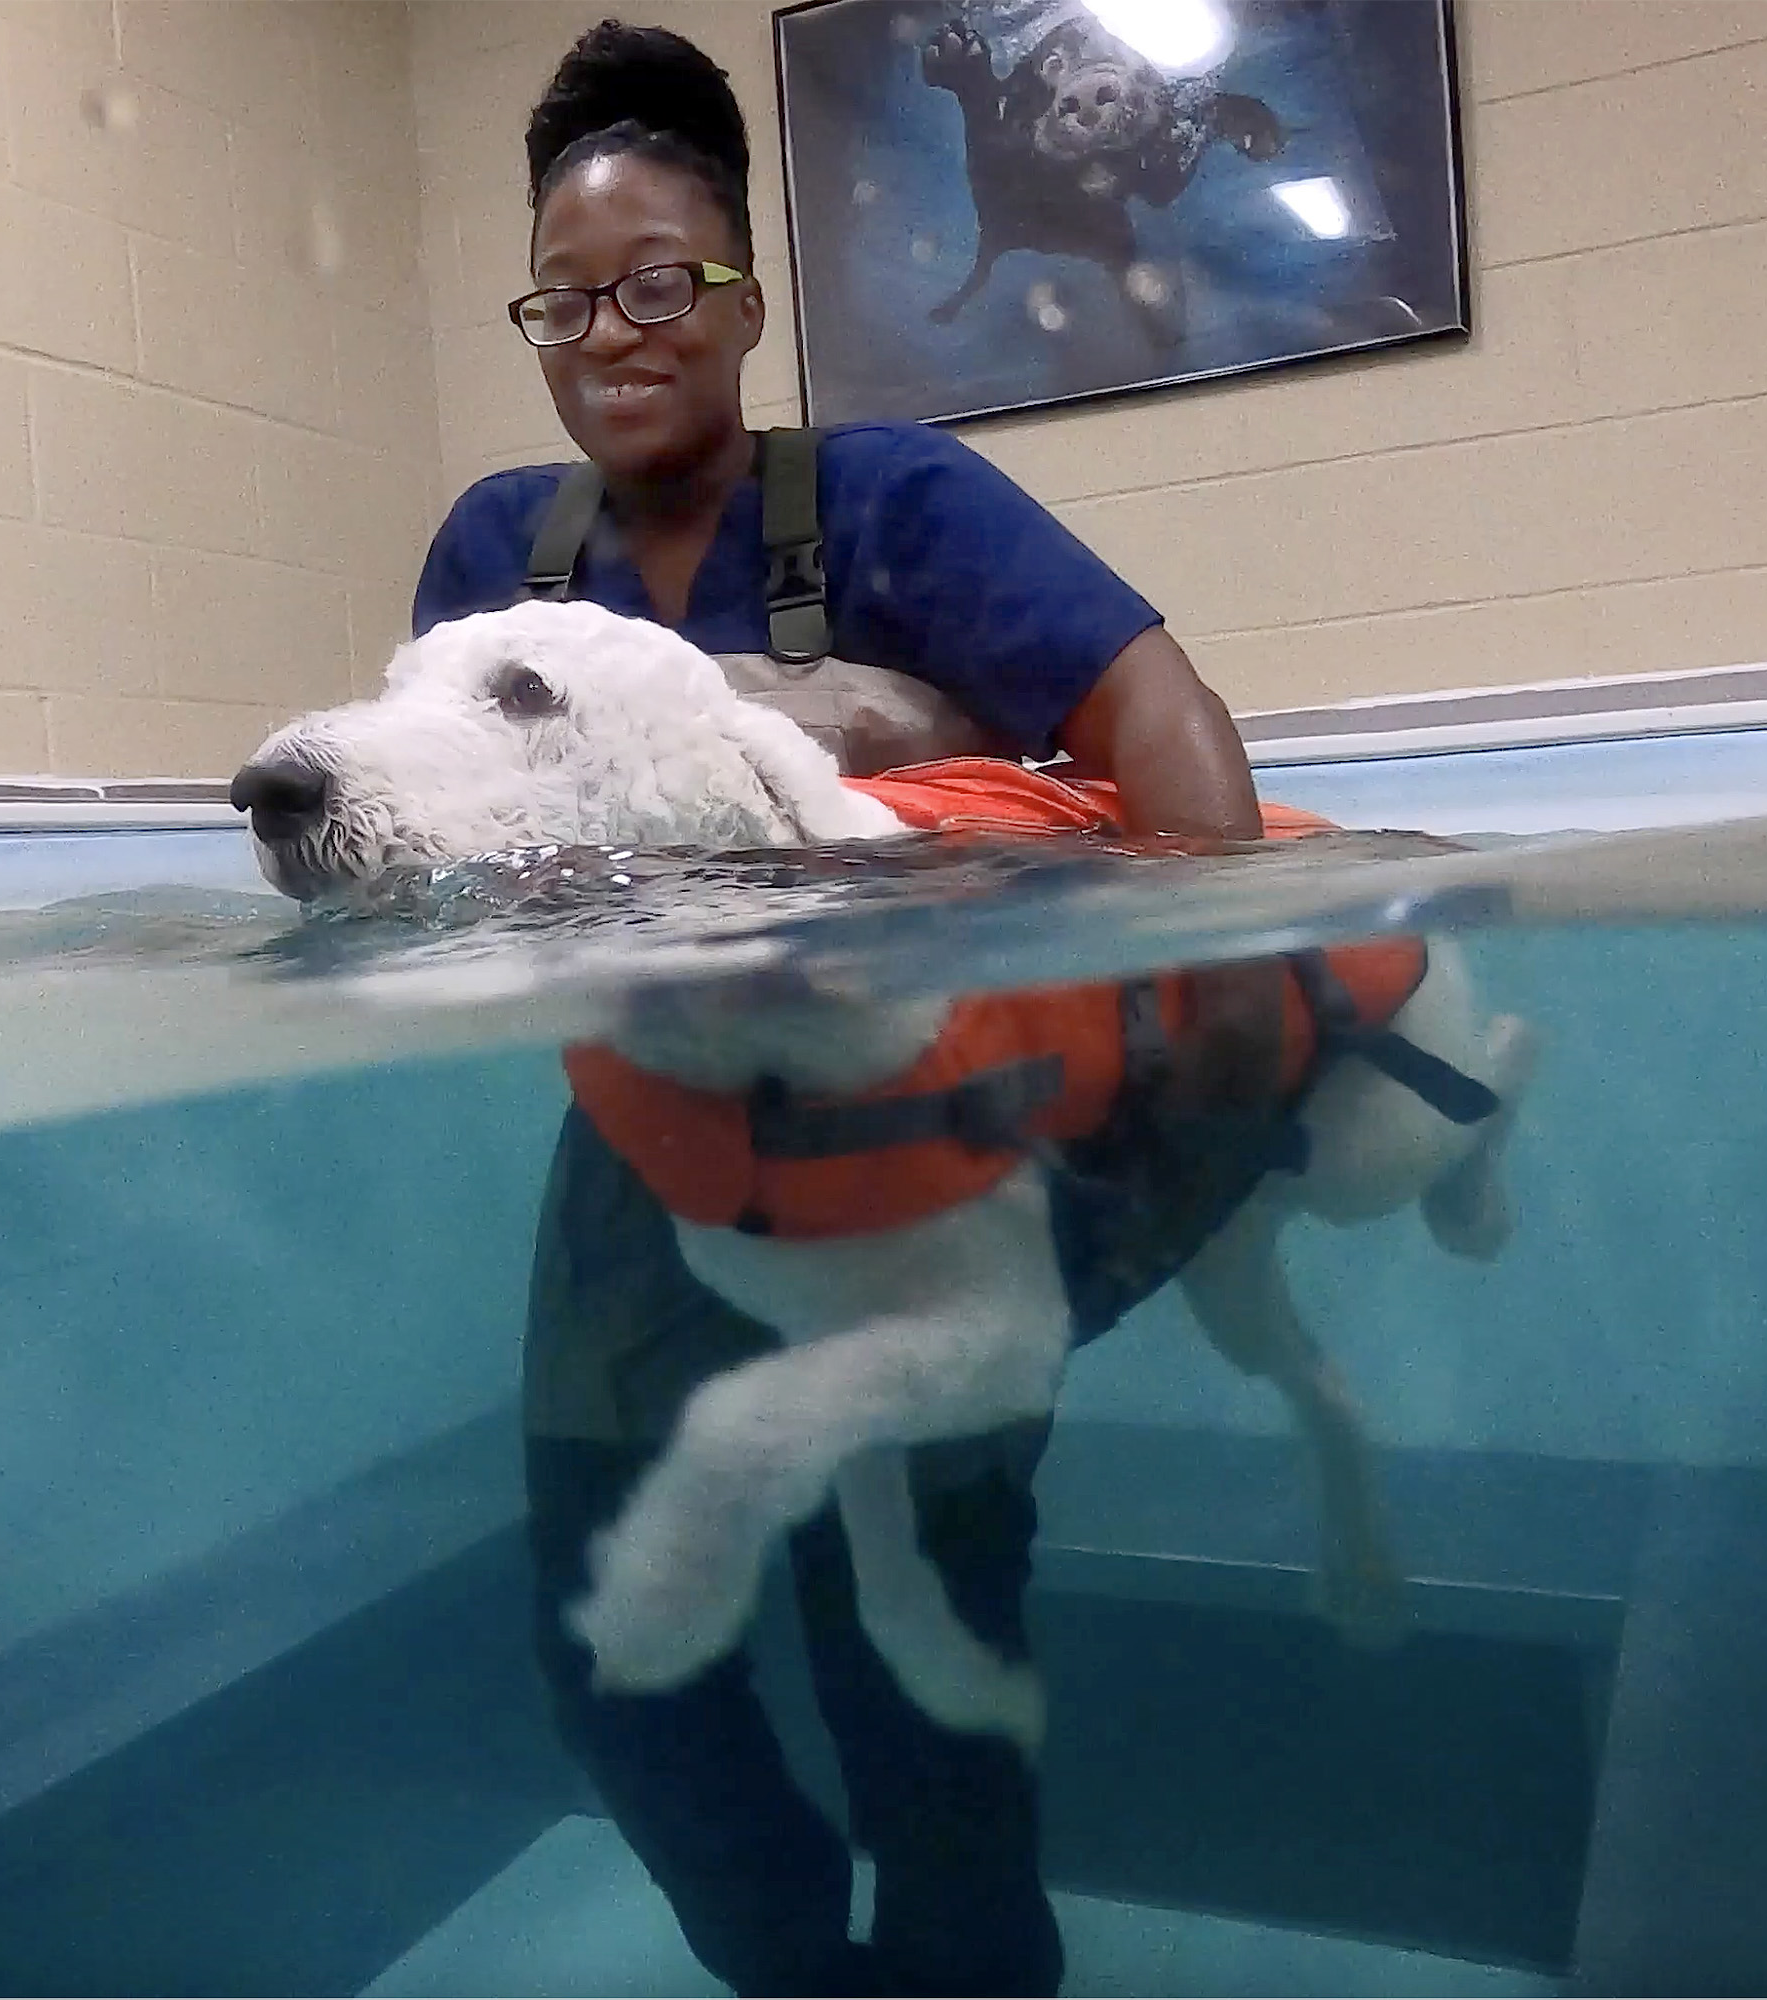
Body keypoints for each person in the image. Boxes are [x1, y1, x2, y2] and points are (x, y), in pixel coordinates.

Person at [407, 22, 1267, 1996]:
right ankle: (800, 1970)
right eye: (570, 296)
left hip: (924, 1160)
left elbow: (1156, 713)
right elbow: (438, 820)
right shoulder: (495, 557)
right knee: (615, 1653)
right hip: (644, 1149)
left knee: (915, 1651)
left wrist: (1214, 1015)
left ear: (743, 303)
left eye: (663, 285)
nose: (615, 330)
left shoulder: (889, 500)